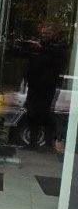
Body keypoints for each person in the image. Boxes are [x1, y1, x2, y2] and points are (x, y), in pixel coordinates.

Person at [15, 22, 68, 150]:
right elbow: (22, 55)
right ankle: (33, 143)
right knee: (31, 113)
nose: (44, 35)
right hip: (33, 85)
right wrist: (19, 45)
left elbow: (58, 58)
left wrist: (40, 48)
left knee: (44, 114)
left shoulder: (57, 46)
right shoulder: (37, 45)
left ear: (53, 33)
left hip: (47, 87)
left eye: (47, 33)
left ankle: (49, 142)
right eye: (43, 32)